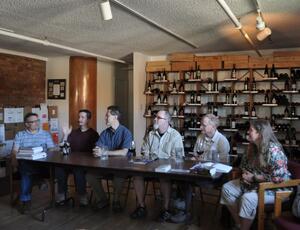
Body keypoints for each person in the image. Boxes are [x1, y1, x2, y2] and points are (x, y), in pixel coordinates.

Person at [220, 120, 291, 230]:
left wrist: (254, 177)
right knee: (227, 188)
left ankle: (244, 227)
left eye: (251, 130)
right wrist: (245, 174)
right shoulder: (251, 147)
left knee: (248, 198)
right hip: (254, 184)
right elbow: (243, 166)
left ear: (260, 133)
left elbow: (279, 178)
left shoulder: (273, 150)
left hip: (276, 189)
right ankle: (241, 225)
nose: (248, 132)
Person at [170, 113, 230, 223]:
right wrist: (195, 159)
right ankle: (182, 208)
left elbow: (223, 166)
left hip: (214, 177)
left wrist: (203, 162)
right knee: (181, 178)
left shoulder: (222, 141)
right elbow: (196, 155)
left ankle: (185, 211)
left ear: (213, 126)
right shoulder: (200, 137)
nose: (200, 127)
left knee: (187, 181)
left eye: (203, 125)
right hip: (200, 172)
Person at [130, 110, 184, 222]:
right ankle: (141, 206)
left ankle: (166, 209)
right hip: (150, 166)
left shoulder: (175, 135)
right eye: (155, 117)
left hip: (166, 168)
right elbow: (144, 151)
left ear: (167, 121)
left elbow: (178, 157)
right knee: (137, 176)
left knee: (164, 178)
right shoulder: (150, 134)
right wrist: (147, 158)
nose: (155, 119)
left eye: (158, 118)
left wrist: (162, 161)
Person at [86, 105, 132, 212]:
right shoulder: (104, 133)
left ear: (115, 117)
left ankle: (116, 201)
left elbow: (124, 152)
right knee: (90, 175)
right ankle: (103, 199)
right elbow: (98, 147)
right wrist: (97, 150)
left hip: (121, 168)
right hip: (105, 166)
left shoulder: (126, 132)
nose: (105, 118)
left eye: (107, 115)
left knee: (119, 176)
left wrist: (105, 152)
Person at [11, 112, 55, 214]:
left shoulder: (45, 134)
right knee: (26, 169)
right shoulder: (20, 135)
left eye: (37, 121)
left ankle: (26, 201)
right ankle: (39, 180)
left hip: (43, 164)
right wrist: (14, 159)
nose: (36, 123)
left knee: (26, 173)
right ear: (26, 124)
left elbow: (52, 149)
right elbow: (14, 151)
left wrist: (48, 153)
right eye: (33, 122)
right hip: (25, 163)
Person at [55, 109, 99, 206]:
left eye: (82, 117)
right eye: (79, 117)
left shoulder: (93, 134)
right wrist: (66, 135)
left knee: (78, 170)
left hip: (86, 163)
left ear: (88, 119)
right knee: (59, 168)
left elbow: (95, 152)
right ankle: (62, 193)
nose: (79, 119)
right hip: (71, 162)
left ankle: (82, 194)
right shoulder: (73, 132)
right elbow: (63, 148)